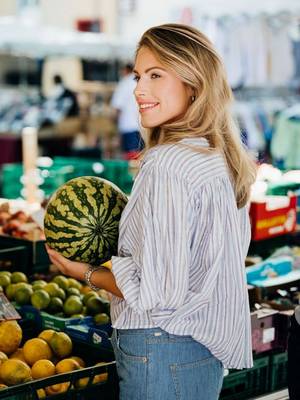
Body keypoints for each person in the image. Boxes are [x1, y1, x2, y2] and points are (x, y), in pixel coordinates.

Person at [46, 23, 257, 400]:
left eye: (156, 75)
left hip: (163, 348)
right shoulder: (215, 155)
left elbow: (159, 294)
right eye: (139, 76)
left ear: (194, 83)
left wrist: (86, 273)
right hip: (199, 348)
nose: (139, 90)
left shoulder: (168, 165)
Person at [111, 63, 142, 159]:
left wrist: (113, 127)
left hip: (128, 126)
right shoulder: (142, 81)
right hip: (142, 127)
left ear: (125, 70)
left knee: (131, 159)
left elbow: (117, 107)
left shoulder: (124, 83)